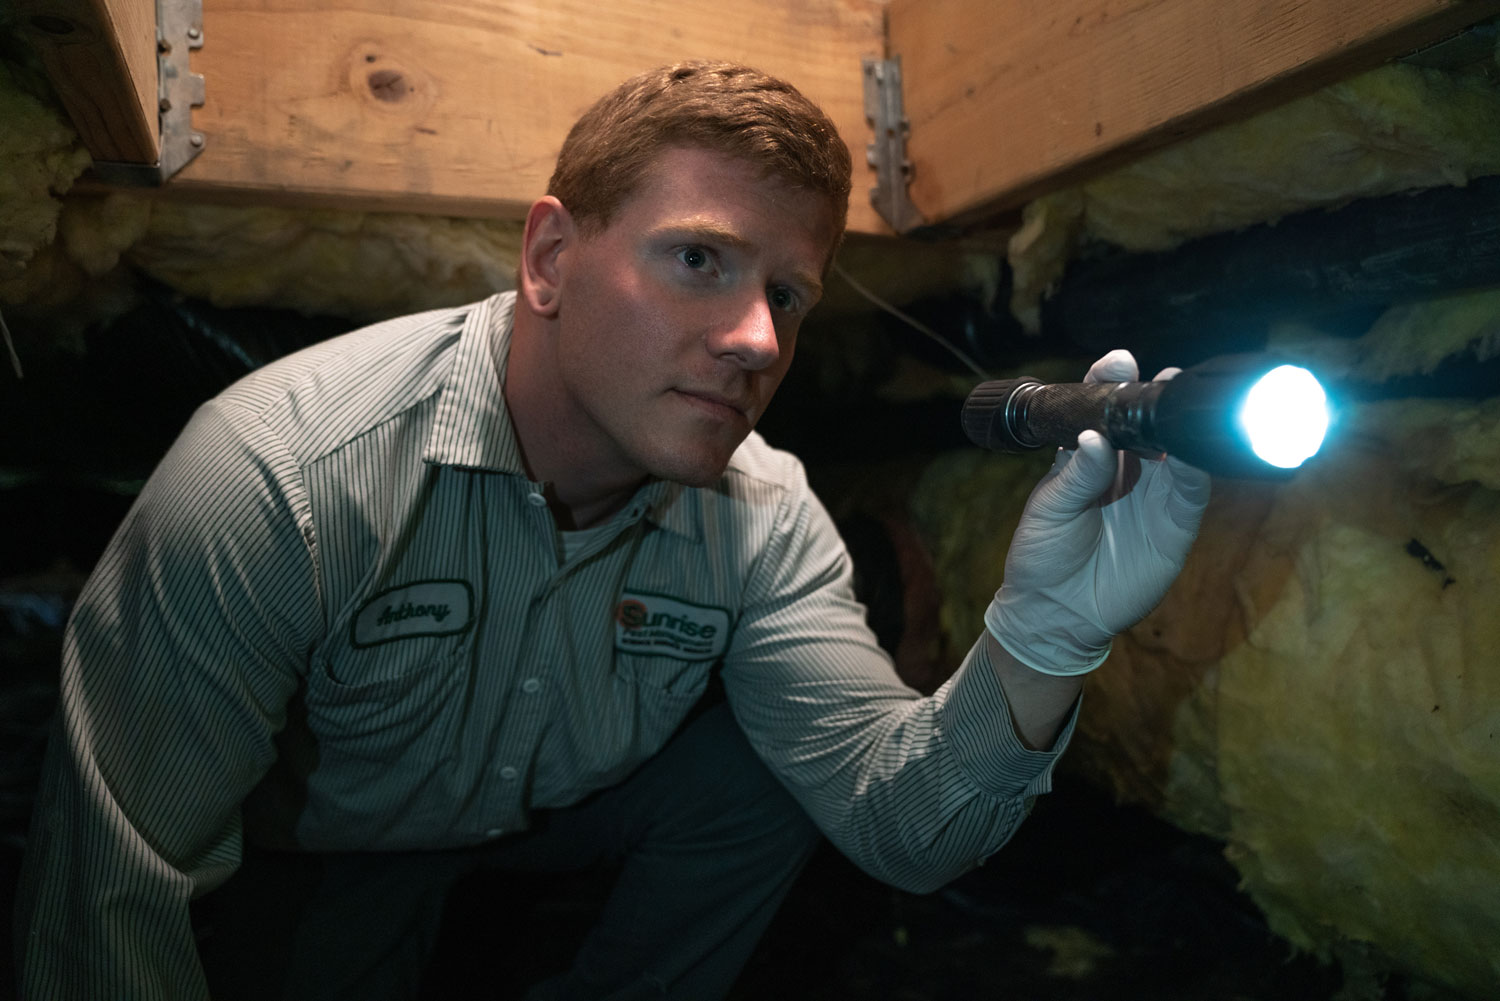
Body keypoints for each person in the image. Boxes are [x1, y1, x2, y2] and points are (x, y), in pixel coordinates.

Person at [14, 61, 1210, 1000]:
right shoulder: (281, 475)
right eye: (699, 259)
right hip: (329, 844)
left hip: (552, 812)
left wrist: (1045, 637)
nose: (755, 339)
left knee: (766, 774)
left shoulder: (765, 515)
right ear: (548, 258)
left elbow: (901, 821)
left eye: (785, 295)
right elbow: (111, 897)